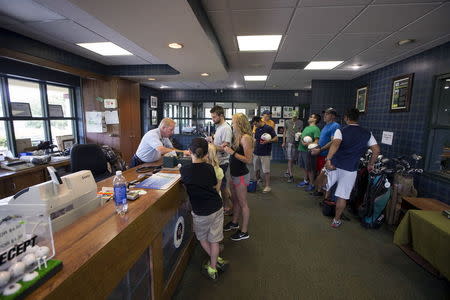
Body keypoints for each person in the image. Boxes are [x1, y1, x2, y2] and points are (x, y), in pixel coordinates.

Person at [180, 138, 228, 280]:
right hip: (217, 207)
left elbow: (185, 183)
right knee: (215, 240)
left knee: (202, 238)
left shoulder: (185, 169)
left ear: (189, 152)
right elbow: (213, 184)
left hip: (201, 211)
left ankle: (213, 264)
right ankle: (214, 264)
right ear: (206, 154)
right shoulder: (209, 168)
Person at [325, 108, 380, 228]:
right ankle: (336, 220)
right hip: (350, 169)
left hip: (335, 164)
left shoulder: (341, 130)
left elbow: (335, 144)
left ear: (346, 118)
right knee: (342, 195)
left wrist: (328, 159)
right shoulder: (367, 133)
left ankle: (327, 204)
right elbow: (376, 150)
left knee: (329, 185)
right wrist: (370, 164)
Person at [223, 113, 254, 241]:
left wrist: (232, 152)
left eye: (234, 121)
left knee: (243, 204)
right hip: (234, 173)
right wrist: (228, 148)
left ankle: (244, 231)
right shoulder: (238, 136)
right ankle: (234, 222)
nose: (232, 124)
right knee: (235, 200)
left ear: (239, 123)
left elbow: (248, 159)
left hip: (241, 175)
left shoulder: (246, 138)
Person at [208, 105, 233, 214]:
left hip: (222, 161)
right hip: (217, 160)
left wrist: (211, 146)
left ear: (221, 116)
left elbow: (225, 148)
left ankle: (227, 206)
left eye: (214, 117)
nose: (213, 119)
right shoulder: (219, 127)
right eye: (212, 117)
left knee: (222, 185)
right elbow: (219, 142)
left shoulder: (226, 128)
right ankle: (229, 204)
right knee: (222, 184)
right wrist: (212, 139)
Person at [310, 108, 340, 196]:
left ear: (333, 116)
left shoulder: (335, 125)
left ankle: (326, 196)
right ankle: (319, 191)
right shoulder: (326, 125)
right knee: (320, 172)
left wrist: (321, 149)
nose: (325, 116)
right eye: (325, 114)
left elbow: (334, 141)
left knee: (326, 175)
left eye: (327, 114)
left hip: (326, 155)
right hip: (320, 153)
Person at [251, 116, 277, 193]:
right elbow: (256, 140)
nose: (255, 126)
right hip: (256, 152)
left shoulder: (268, 128)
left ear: (259, 121)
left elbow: (276, 138)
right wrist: (253, 149)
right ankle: (258, 181)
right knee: (256, 169)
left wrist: (268, 141)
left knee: (266, 171)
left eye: (256, 124)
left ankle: (267, 186)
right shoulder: (257, 129)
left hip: (265, 153)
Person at [296, 113, 321, 191]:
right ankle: (305, 181)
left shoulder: (316, 129)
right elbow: (303, 138)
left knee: (310, 168)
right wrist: (300, 137)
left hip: (308, 151)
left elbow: (317, 141)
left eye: (311, 117)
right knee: (304, 167)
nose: (309, 117)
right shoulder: (306, 127)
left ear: (315, 119)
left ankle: (312, 184)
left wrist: (308, 144)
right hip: (301, 149)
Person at [282, 110, 303, 183]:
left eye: (295, 117)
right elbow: (284, 131)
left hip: (296, 142)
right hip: (289, 141)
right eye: (293, 117)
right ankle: (291, 175)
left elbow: (300, 132)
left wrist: (299, 136)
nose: (294, 118)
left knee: (293, 159)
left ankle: (288, 171)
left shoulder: (300, 122)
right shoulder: (287, 122)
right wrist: (284, 141)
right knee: (290, 159)